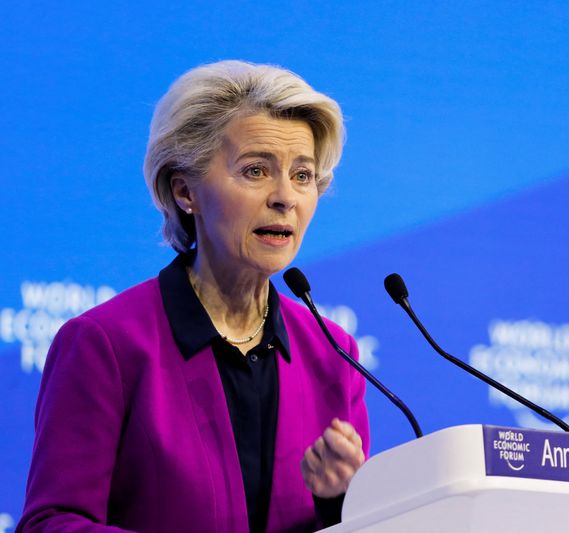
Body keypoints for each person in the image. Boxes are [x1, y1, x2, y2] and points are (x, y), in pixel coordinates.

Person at [17, 60, 369, 533]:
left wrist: (344, 501)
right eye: (256, 170)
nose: (285, 196)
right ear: (186, 191)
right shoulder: (106, 344)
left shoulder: (333, 353)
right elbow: (53, 523)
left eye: (302, 175)